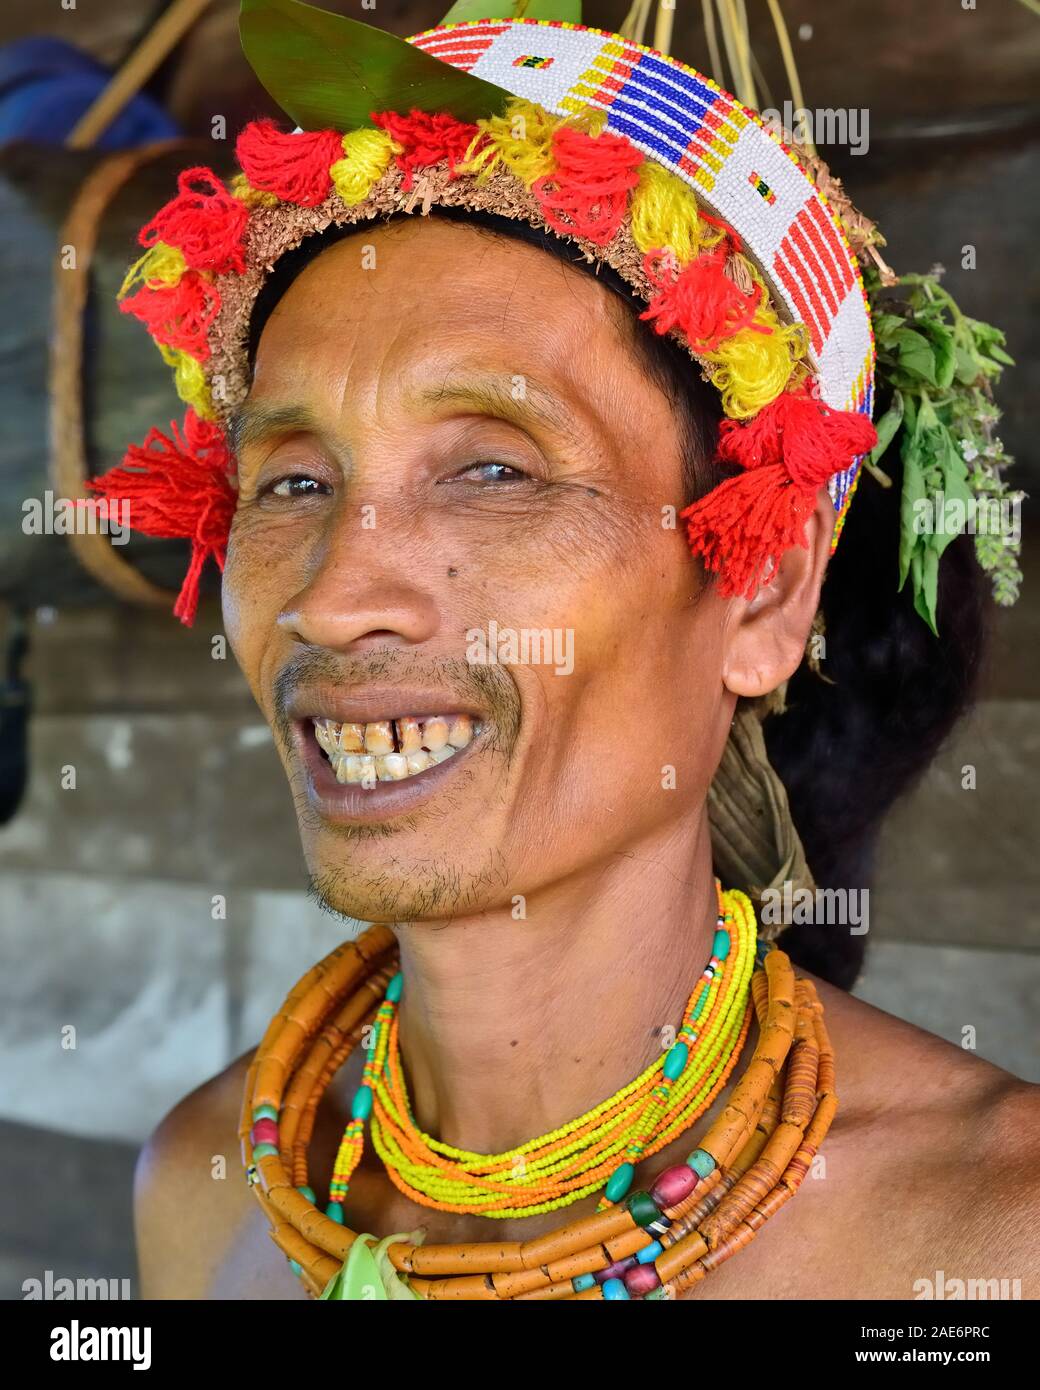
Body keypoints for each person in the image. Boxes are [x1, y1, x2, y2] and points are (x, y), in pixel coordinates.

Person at [91, 4, 1038, 1300]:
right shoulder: (206, 1195)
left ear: (762, 590)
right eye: (295, 482)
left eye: (492, 467)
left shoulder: (993, 1240)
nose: (334, 596)